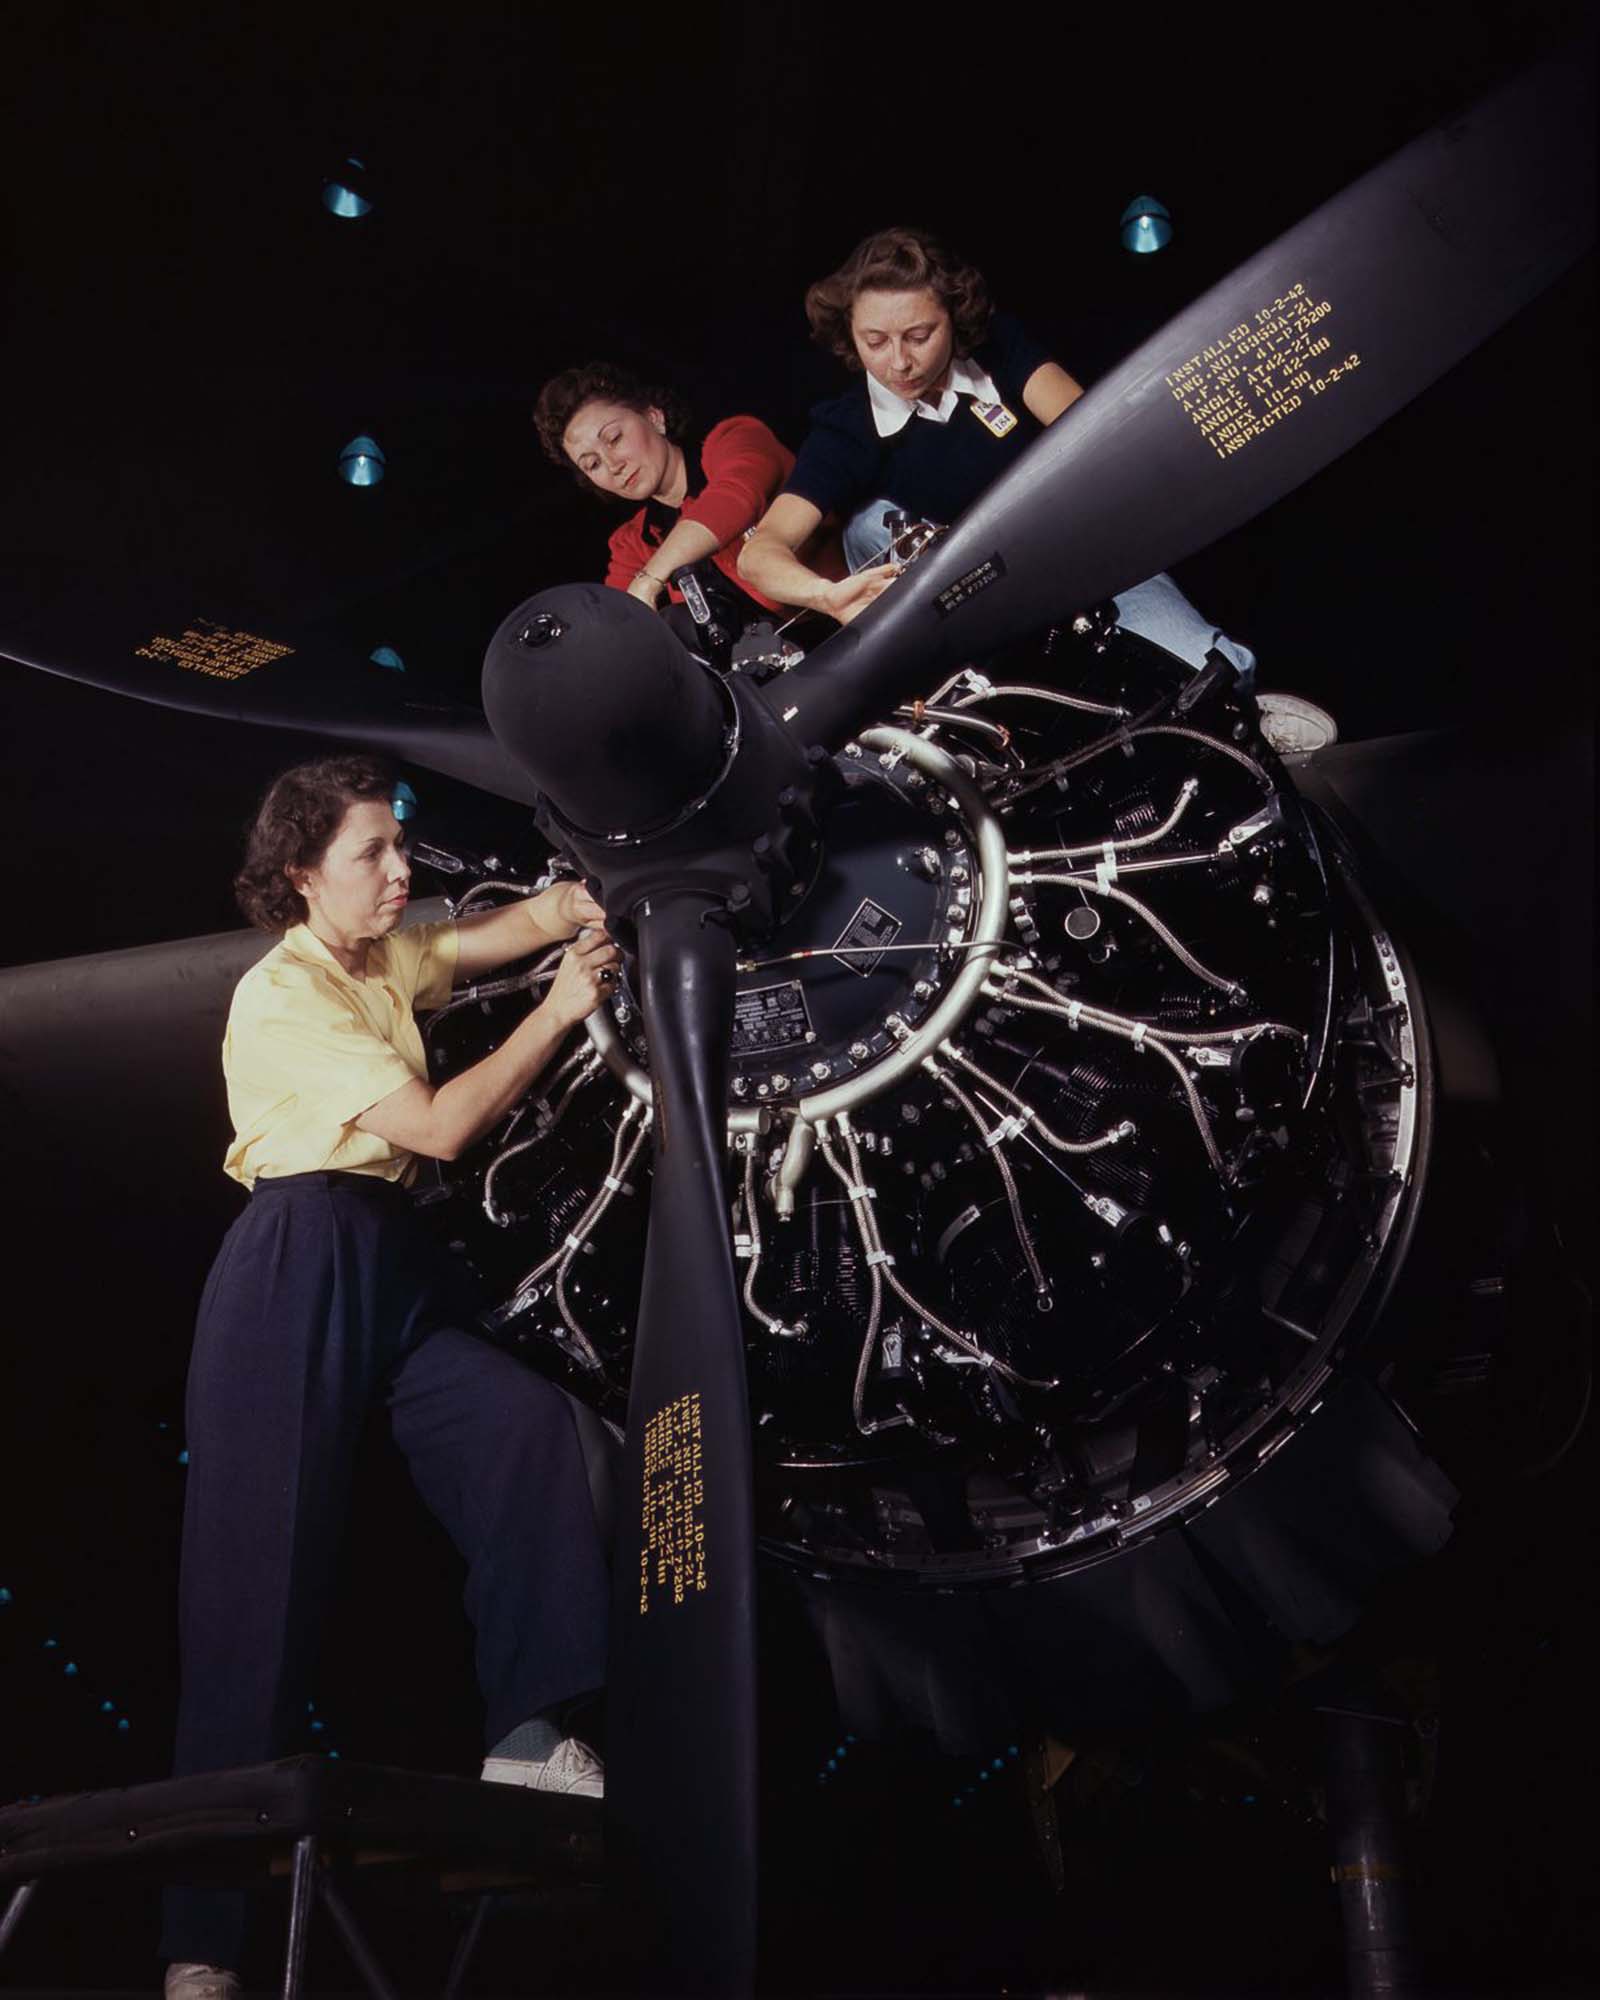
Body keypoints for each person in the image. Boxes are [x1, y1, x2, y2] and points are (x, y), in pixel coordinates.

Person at [162, 755, 619, 2000]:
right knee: (254, 1594)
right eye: (373, 855)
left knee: (526, 1428)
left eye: (400, 850)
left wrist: (593, 895)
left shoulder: (384, 959)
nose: (401, 872)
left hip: (392, 1262)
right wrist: (558, 1006)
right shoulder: (284, 991)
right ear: (305, 873)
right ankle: (201, 1945)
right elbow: (435, 1127)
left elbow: (496, 932)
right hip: (295, 1260)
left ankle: (529, 1738)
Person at [737, 226, 1263, 694]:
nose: (899, 362)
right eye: (875, 341)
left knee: (1220, 673)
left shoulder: (1002, 351)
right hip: (979, 613)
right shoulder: (845, 429)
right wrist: (827, 595)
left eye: (920, 336)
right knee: (867, 523)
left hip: (1085, 556)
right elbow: (760, 555)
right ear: (850, 333)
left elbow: (1098, 437)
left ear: (954, 317)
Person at [532, 360, 862, 638]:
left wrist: (650, 579)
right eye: (592, 464)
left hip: (858, 614)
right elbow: (613, 627)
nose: (612, 465)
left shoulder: (734, 439)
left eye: (614, 438)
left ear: (654, 417)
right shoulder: (634, 543)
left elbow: (734, 497)